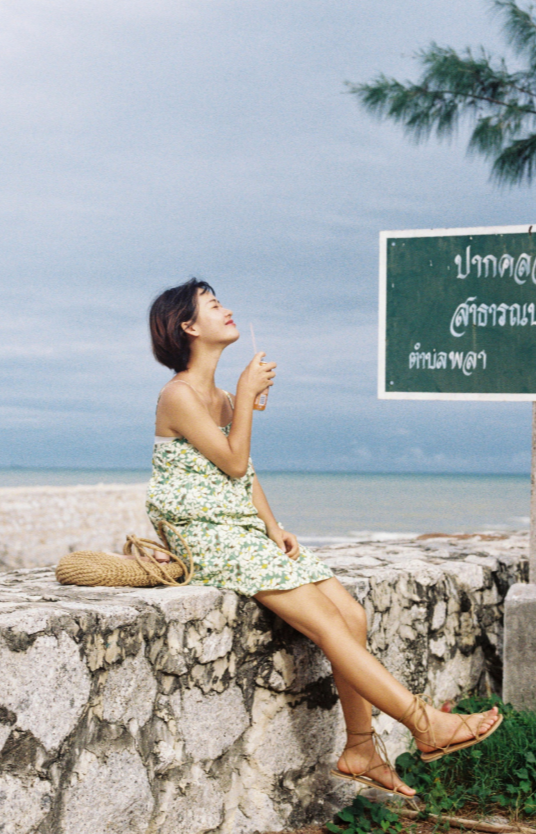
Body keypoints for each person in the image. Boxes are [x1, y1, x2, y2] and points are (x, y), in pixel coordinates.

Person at [145, 277, 502, 798]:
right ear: (188, 326)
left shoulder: (218, 396)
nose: (227, 310)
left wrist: (272, 524)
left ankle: (359, 748)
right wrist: (245, 398)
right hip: (204, 535)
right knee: (327, 624)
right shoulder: (177, 395)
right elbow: (233, 458)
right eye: (214, 305)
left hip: (239, 528)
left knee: (352, 616)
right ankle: (423, 722)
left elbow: (242, 476)